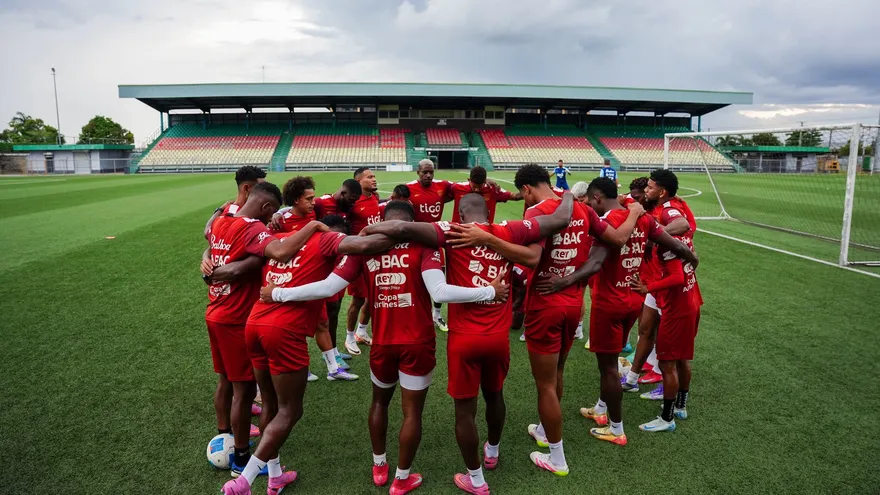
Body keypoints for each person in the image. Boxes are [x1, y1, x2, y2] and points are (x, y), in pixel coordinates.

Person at [264, 200, 507, 495]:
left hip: (382, 342)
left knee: (379, 403)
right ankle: (401, 478)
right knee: (411, 414)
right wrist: (490, 291)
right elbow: (439, 292)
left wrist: (278, 292)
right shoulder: (425, 247)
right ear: (411, 222)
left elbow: (328, 287)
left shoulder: (365, 248)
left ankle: (379, 465)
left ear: (383, 221)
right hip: (417, 342)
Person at [360, 193, 574, 494]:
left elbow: (400, 229)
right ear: (488, 211)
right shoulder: (509, 230)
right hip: (498, 338)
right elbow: (560, 220)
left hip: (463, 340)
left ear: (459, 213)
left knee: (464, 412)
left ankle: (476, 480)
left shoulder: (450, 231)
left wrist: (366, 231)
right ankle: (493, 450)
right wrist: (566, 195)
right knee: (495, 395)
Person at [451, 164, 644, 476]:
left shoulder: (537, 213)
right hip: (573, 304)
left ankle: (557, 457)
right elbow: (618, 239)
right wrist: (634, 212)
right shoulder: (582, 209)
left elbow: (531, 257)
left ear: (526, 190)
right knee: (557, 372)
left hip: (545, 305)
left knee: (545, 385)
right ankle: (543, 429)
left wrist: (489, 241)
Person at [218, 213, 397, 495]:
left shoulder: (282, 239)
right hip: (283, 330)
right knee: (291, 410)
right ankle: (246, 480)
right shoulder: (327, 239)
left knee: (270, 404)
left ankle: (275, 477)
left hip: (255, 323)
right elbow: (362, 246)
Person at [538, 178, 697, 446]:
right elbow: (674, 243)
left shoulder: (609, 222)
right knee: (610, 363)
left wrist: (563, 282)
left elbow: (596, 263)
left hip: (608, 304)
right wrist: (692, 259)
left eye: (590, 202)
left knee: (608, 369)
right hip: (632, 300)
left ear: (598, 198)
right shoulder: (642, 218)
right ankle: (601, 408)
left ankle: (616, 428)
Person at [201, 181, 325, 484]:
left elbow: (211, 243)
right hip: (235, 317)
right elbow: (281, 252)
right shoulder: (252, 229)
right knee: (243, 391)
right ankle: (241, 459)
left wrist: (207, 263)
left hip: (215, 311)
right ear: (267, 207)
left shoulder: (221, 219)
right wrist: (314, 226)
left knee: (226, 383)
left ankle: (225, 438)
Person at [630, 173, 701, 432]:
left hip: (676, 304)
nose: (646, 190)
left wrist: (649, 286)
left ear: (661, 192)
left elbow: (676, 276)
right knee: (682, 359)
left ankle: (667, 418)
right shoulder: (670, 217)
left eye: (650, 187)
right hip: (691, 299)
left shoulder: (667, 232)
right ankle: (681, 405)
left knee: (668, 363)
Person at [405, 159, 456, 332]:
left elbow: (462, 188)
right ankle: (417, 314)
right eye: (424, 172)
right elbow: (394, 201)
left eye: (431, 172)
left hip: (435, 239)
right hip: (416, 240)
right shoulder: (409, 188)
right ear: (417, 172)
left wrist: (487, 183)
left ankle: (437, 314)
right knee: (415, 280)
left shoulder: (442, 186)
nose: (428, 175)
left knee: (439, 277)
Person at [344, 167, 382, 356]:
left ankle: (361, 331)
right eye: (370, 177)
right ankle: (349, 337)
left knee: (373, 296)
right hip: (358, 256)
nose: (374, 179)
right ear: (359, 182)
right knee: (358, 299)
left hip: (374, 255)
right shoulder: (351, 202)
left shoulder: (374, 198)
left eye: (374, 176)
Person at [204, 166, 267, 239]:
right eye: (261, 188)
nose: (265, 192)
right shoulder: (232, 214)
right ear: (246, 189)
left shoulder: (251, 211)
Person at [448, 166, 519, 224]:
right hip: (459, 234)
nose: (477, 190)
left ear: (484, 182)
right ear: (469, 180)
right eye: (474, 187)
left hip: (484, 235)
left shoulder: (492, 189)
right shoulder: (457, 187)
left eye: (479, 187)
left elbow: (515, 196)